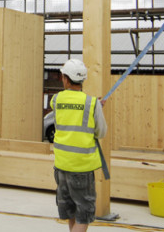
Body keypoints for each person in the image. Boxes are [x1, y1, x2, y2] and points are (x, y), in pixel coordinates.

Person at [51, 59, 108, 231]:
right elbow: (101, 133)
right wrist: (96, 108)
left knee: (71, 212)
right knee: (84, 214)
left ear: (66, 79)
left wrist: (94, 106)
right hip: (82, 167)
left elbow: (69, 112)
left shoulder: (56, 100)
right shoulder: (91, 103)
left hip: (61, 165)